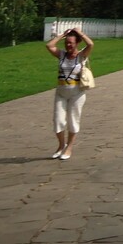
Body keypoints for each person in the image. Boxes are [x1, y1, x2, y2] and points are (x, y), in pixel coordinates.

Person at [46, 28, 94, 159]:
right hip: (61, 93)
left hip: (76, 94)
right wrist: (63, 35)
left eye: (71, 43)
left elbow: (90, 44)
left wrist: (80, 33)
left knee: (73, 121)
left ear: (77, 43)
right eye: (66, 43)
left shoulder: (81, 55)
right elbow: (49, 45)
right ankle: (61, 145)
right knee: (58, 121)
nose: (68, 45)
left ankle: (69, 147)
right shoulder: (61, 54)